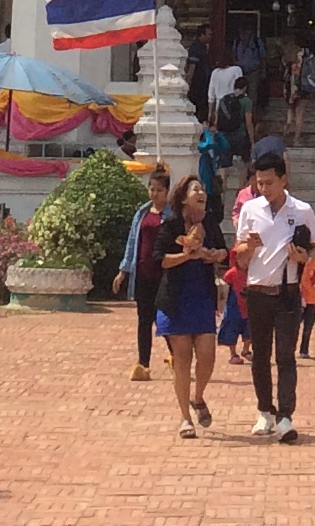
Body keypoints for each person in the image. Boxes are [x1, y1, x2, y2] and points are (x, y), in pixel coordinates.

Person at [232, 136, 315, 442]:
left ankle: (285, 416)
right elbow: (240, 258)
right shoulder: (250, 209)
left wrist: (303, 258)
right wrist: (248, 248)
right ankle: (264, 412)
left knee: (285, 355)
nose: (264, 189)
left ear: (284, 179)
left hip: (287, 292)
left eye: (269, 183)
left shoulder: (302, 210)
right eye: (259, 183)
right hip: (257, 290)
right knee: (260, 356)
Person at [154, 176, 223, 436]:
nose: (202, 193)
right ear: (184, 198)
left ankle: (198, 396)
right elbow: (160, 259)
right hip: (175, 299)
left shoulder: (210, 223)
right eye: (196, 190)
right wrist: (186, 255)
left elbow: (224, 250)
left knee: (207, 355)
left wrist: (215, 255)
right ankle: (185, 418)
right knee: (182, 359)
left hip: (202, 296)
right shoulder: (170, 225)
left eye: (202, 189)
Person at [120, 163, 176, 382]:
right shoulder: (142, 213)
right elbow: (132, 241)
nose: (154, 194)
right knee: (144, 320)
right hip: (143, 274)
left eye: (159, 190)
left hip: (164, 276)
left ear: (167, 191)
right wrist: (124, 270)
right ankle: (143, 363)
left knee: (164, 319)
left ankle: (176, 357)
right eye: (151, 189)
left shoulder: (172, 216)